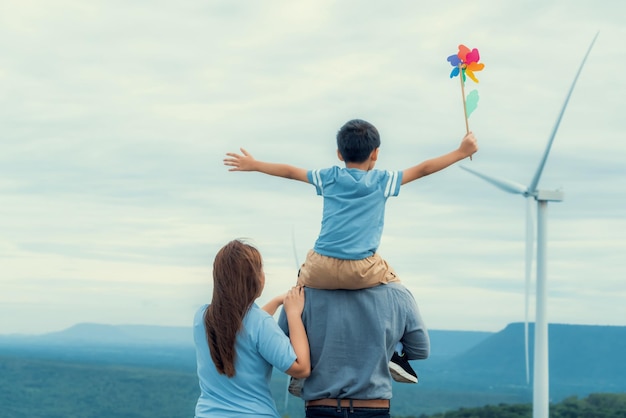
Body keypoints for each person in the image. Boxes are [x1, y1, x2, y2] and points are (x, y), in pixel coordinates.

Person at [223, 119, 477, 383]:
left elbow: (289, 172)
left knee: (298, 292)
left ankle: (299, 361)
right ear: (376, 153)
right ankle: (397, 353)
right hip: (362, 268)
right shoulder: (382, 181)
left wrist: (254, 165)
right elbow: (424, 169)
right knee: (395, 286)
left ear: (339, 154)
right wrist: (461, 152)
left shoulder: (329, 177)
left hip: (319, 266)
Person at [193, 239, 311, 418]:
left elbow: (244, 327)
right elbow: (301, 368)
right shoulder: (260, 323)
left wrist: (278, 301)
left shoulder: (202, 318)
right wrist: (293, 314)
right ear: (254, 279)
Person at [278, 284, 430, 418]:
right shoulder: (398, 293)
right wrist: (386, 346)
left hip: (320, 406)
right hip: (374, 407)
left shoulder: (298, 295)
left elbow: (282, 351)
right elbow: (420, 350)